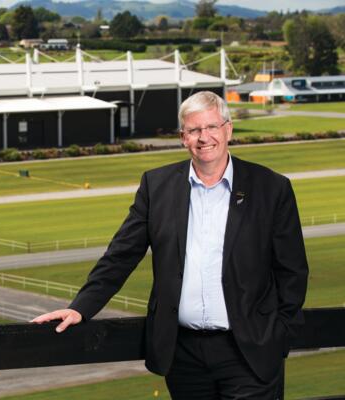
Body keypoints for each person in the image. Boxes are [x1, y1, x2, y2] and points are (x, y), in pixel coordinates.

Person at [31, 91, 308, 399]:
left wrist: (280, 333)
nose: (204, 137)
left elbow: (292, 270)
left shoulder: (272, 188)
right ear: (182, 137)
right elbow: (121, 255)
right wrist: (80, 308)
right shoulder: (157, 186)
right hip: (184, 357)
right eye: (194, 130)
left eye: (212, 127)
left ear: (228, 130)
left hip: (250, 352)